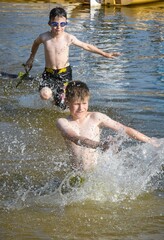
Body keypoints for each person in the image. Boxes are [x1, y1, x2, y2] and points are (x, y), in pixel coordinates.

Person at [24, 7, 120, 110]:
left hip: (64, 73)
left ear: (66, 23)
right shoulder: (44, 37)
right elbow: (35, 43)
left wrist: (104, 53)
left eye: (62, 24)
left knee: (62, 105)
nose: (58, 27)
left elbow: (86, 46)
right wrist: (31, 58)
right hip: (49, 73)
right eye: (55, 24)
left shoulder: (68, 38)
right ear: (49, 23)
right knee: (45, 95)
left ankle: (58, 100)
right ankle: (52, 98)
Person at [56, 81, 158, 172]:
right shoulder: (63, 122)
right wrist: (100, 145)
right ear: (67, 102)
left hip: (95, 172)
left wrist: (150, 141)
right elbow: (74, 138)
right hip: (75, 173)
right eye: (76, 104)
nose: (81, 108)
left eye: (84, 103)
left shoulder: (96, 117)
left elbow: (125, 129)